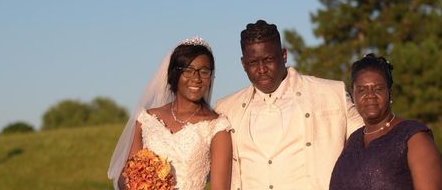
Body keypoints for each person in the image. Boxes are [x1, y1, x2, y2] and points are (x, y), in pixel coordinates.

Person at [214, 20, 364, 190]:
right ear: (243, 64)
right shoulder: (226, 108)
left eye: (268, 59)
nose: (262, 69)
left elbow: (372, 142)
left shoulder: (331, 94)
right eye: (253, 63)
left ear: (284, 55)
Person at [108, 37, 232, 190]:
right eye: (188, 70)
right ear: (174, 74)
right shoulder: (146, 120)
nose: (197, 78)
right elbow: (125, 177)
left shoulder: (217, 127)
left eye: (204, 71)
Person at [328, 54, 442, 190]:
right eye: (361, 90)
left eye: (378, 88)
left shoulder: (413, 137)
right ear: (353, 96)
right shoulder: (353, 141)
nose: (370, 95)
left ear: (390, 93)